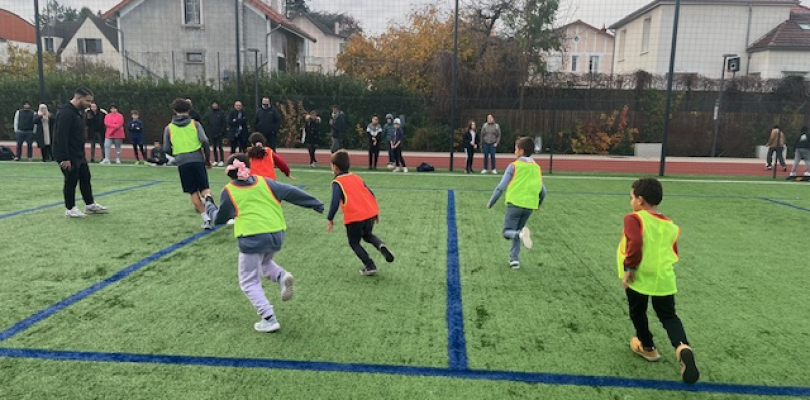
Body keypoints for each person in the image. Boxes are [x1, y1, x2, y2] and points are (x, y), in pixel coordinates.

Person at [203, 154, 324, 332]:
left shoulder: (229, 191)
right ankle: (282, 276)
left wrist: (209, 205)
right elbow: (291, 192)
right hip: (276, 233)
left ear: (229, 173)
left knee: (248, 281)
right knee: (265, 263)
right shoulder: (265, 182)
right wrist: (315, 203)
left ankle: (269, 317)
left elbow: (220, 219)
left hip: (252, 237)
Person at [617, 177, 699, 384]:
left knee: (638, 311)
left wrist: (630, 268)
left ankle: (648, 347)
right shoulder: (670, 225)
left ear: (640, 200)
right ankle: (682, 347)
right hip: (664, 279)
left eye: (631, 198)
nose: (631, 202)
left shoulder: (634, 218)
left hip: (639, 278)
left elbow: (635, 243)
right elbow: (673, 252)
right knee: (669, 316)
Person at [327, 150, 395, 276]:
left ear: (335, 167)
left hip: (354, 218)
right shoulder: (357, 177)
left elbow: (335, 202)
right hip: (368, 215)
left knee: (354, 242)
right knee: (368, 235)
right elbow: (370, 194)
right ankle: (381, 245)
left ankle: (370, 265)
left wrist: (330, 218)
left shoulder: (337, 182)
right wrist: (375, 212)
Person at [486, 137, 546, 269]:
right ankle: (514, 259)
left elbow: (501, 187)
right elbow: (543, 191)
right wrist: (538, 204)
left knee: (508, 232)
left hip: (515, 203)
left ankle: (519, 237)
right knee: (519, 229)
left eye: (516, 149)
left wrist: (491, 202)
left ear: (521, 151)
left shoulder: (514, 166)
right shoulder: (536, 168)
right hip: (529, 205)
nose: (514, 151)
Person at [53, 87, 108, 218]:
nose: (90, 104)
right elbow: (60, 136)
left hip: (78, 153)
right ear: (79, 98)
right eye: (88, 101)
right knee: (71, 180)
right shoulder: (66, 113)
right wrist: (64, 157)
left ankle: (90, 205)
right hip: (68, 154)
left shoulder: (77, 112)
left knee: (85, 177)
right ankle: (70, 208)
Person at [163, 98, 214, 229]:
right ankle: (208, 198)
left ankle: (206, 219)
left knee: (192, 192)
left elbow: (166, 148)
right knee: (204, 187)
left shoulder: (169, 128)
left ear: (174, 111)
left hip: (182, 162)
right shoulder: (195, 124)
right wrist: (207, 158)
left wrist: (177, 154)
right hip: (197, 158)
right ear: (189, 109)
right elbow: (205, 141)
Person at [206, 100, 228, 167]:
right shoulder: (210, 114)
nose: (214, 105)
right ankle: (216, 160)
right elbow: (208, 123)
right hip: (212, 133)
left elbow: (224, 123)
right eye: (213, 104)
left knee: (220, 147)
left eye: (216, 104)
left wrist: (222, 131)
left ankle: (221, 160)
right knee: (214, 147)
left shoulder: (221, 113)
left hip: (220, 133)